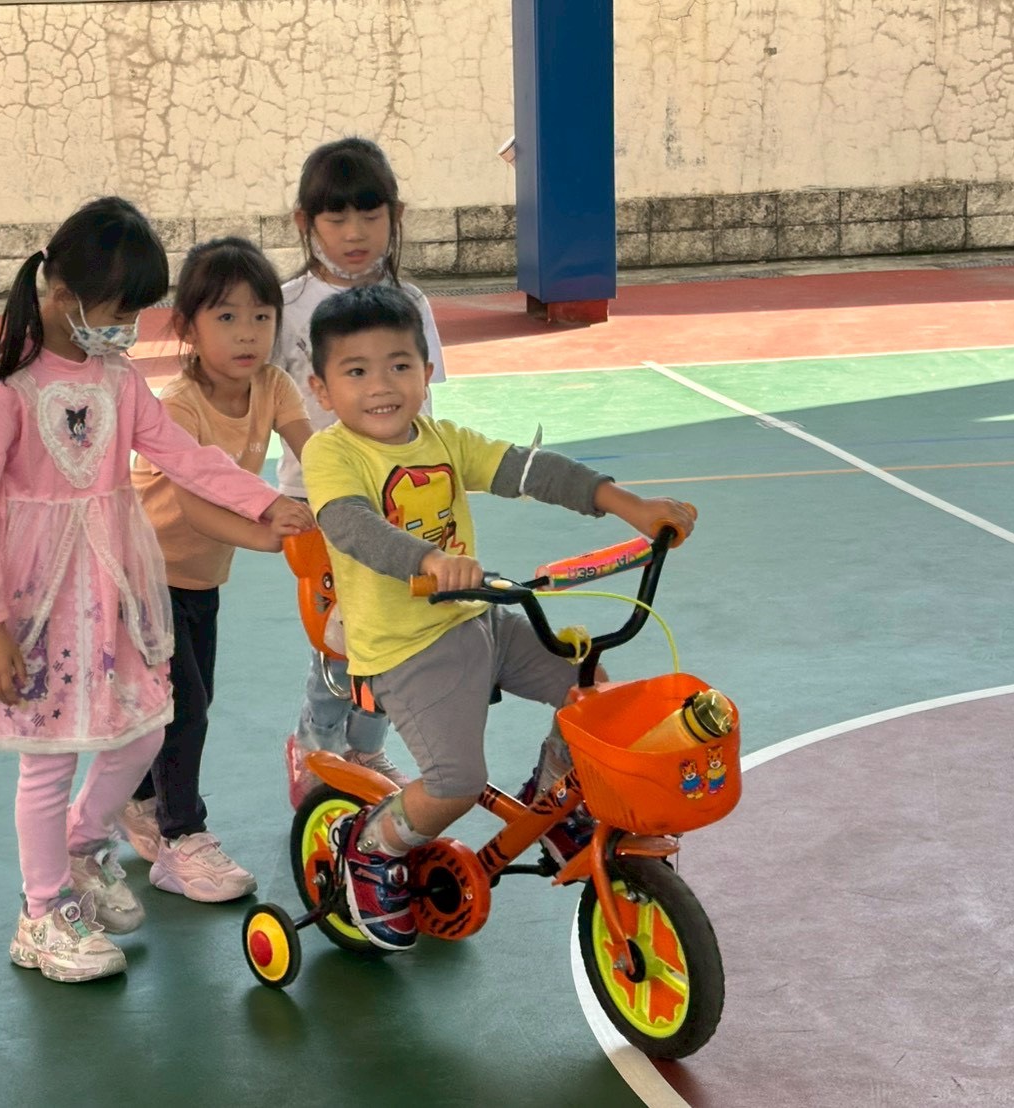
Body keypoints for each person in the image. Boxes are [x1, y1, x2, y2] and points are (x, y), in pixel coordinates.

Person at [0, 198, 308, 983]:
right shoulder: (2, 391)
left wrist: (265, 501)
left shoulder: (117, 379)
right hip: (29, 605)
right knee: (48, 758)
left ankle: (83, 845)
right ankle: (41, 913)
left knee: (144, 727)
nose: (127, 328)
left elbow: (183, 455)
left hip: (107, 590)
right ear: (63, 294)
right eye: (119, 311)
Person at [300, 285, 698, 951]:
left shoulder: (442, 439)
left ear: (427, 372)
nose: (381, 385)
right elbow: (351, 527)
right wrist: (427, 560)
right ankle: (370, 849)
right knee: (455, 784)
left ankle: (554, 803)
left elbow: (527, 470)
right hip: (406, 649)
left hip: (477, 620)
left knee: (590, 693)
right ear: (320, 388)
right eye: (356, 371)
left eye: (399, 365)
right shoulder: (332, 453)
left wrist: (628, 505)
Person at [117, 238, 314, 901]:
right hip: (146, 576)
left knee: (183, 702)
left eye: (261, 316)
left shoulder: (273, 386)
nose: (247, 333)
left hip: (201, 579)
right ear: (188, 326)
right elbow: (196, 509)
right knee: (186, 708)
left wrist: (354, 496)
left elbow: (316, 451)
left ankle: (139, 799)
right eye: (226, 316)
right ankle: (182, 839)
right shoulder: (178, 405)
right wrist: (269, 534)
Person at [274, 136, 446, 807]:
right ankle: (314, 747)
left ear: (394, 216)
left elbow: (426, 409)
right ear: (305, 222)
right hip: (318, 506)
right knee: (339, 641)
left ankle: (366, 750)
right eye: (336, 217)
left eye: (370, 216)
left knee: (396, 634)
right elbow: (259, 400)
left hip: (402, 505)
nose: (354, 233)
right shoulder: (286, 306)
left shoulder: (410, 302)